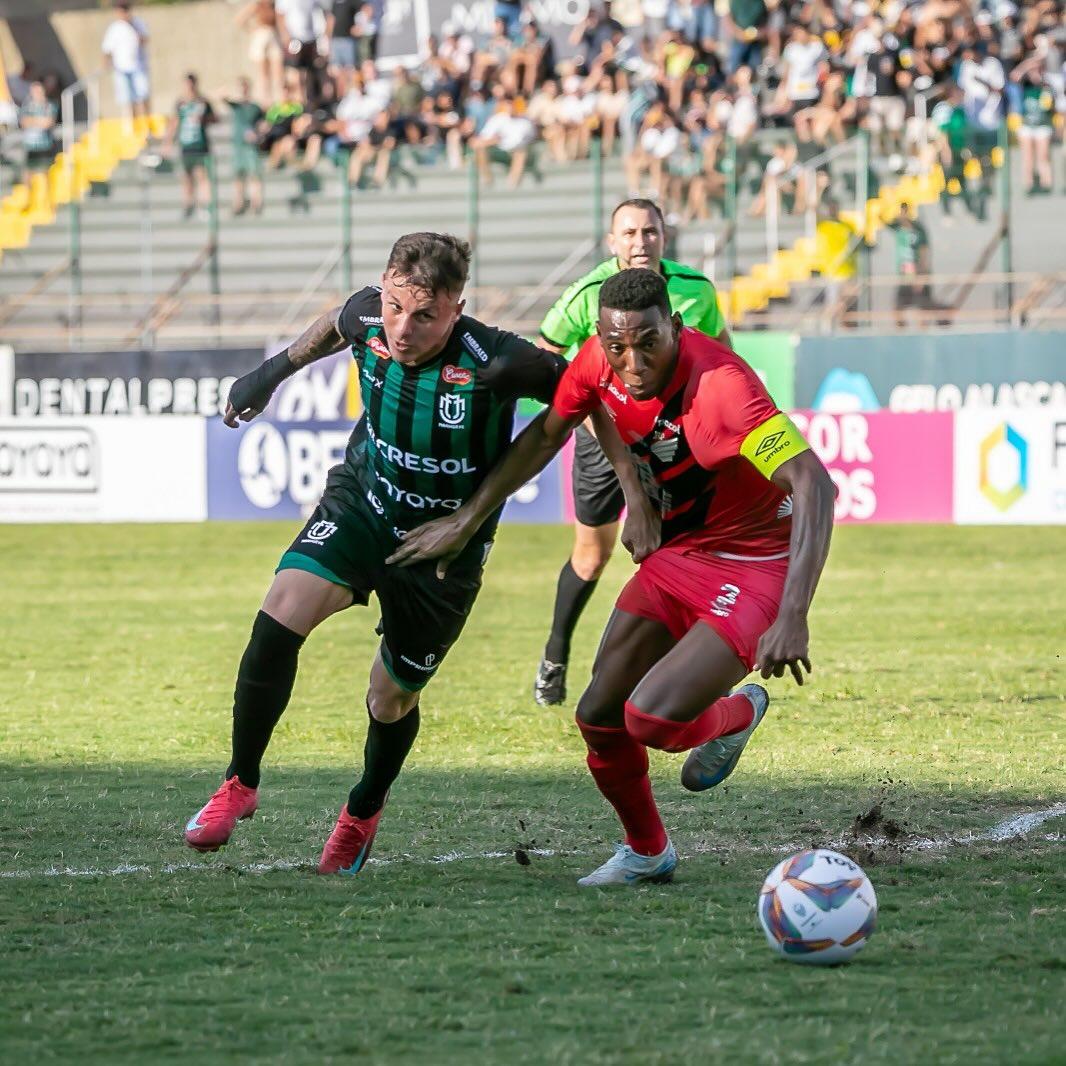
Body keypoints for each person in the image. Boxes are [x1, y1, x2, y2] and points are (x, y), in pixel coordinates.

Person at [388, 268, 835, 886]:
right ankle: (648, 851)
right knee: (599, 714)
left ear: (675, 327)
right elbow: (550, 434)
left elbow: (814, 483)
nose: (632, 360)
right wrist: (468, 520)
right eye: (617, 344)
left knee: (649, 720)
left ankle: (738, 712)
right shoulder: (599, 361)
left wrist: (794, 612)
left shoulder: (724, 389)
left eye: (648, 342)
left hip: (756, 564)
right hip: (681, 554)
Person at [183, 233, 566, 874]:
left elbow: (573, 407)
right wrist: (270, 374)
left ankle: (362, 811)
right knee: (280, 613)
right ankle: (239, 784)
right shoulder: (369, 315)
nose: (401, 328)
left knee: (389, 698)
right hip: (366, 501)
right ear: (383, 287)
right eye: (392, 307)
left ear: (456, 307)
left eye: (424, 316)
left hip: (445, 548)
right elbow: (335, 326)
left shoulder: (500, 358)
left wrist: (470, 517)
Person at [531, 198, 730, 707]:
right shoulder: (585, 295)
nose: (640, 242)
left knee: (681, 553)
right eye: (629, 233)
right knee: (591, 556)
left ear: (665, 237)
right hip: (605, 441)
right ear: (611, 242)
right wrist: (588, 407)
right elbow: (547, 356)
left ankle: (673, 675)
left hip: (672, 438)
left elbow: (725, 355)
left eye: (649, 232)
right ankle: (555, 655)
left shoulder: (696, 291)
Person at [165, 73, 216, 219]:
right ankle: (188, 204)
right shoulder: (180, 102)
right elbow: (174, 122)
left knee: (202, 176)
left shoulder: (203, 101)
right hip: (185, 146)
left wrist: (203, 119)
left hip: (200, 146)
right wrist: (167, 143)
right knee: (186, 178)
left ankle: (205, 205)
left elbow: (214, 118)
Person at [101, 1, 151, 123]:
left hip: (138, 67)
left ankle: (145, 123)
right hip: (122, 69)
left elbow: (145, 39)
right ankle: (131, 125)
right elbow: (107, 49)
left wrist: (133, 28)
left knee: (142, 95)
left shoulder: (138, 23)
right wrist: (105, 63)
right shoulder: (114, 28)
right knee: (127, 99)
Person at [225, 77, 266, 215]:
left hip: (250, 147)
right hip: (238, 146)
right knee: (238, 176)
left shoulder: (255, 108)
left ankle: (256, 203)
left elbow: (263, 125)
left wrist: (257, 134)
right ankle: (238, 203)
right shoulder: (236, 106)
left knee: (254, 174)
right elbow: (222, 97)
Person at [18, 80, 59, 183]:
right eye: (33, 91)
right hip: (29, 146)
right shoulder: (26, 106)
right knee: (28, 175)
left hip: (45, 146)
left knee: (46, 175)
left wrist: (32, 120)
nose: (35, 93)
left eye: (37, 91)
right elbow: (23, 122)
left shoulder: (49, 105)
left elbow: (48, 122)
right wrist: (39, 120)